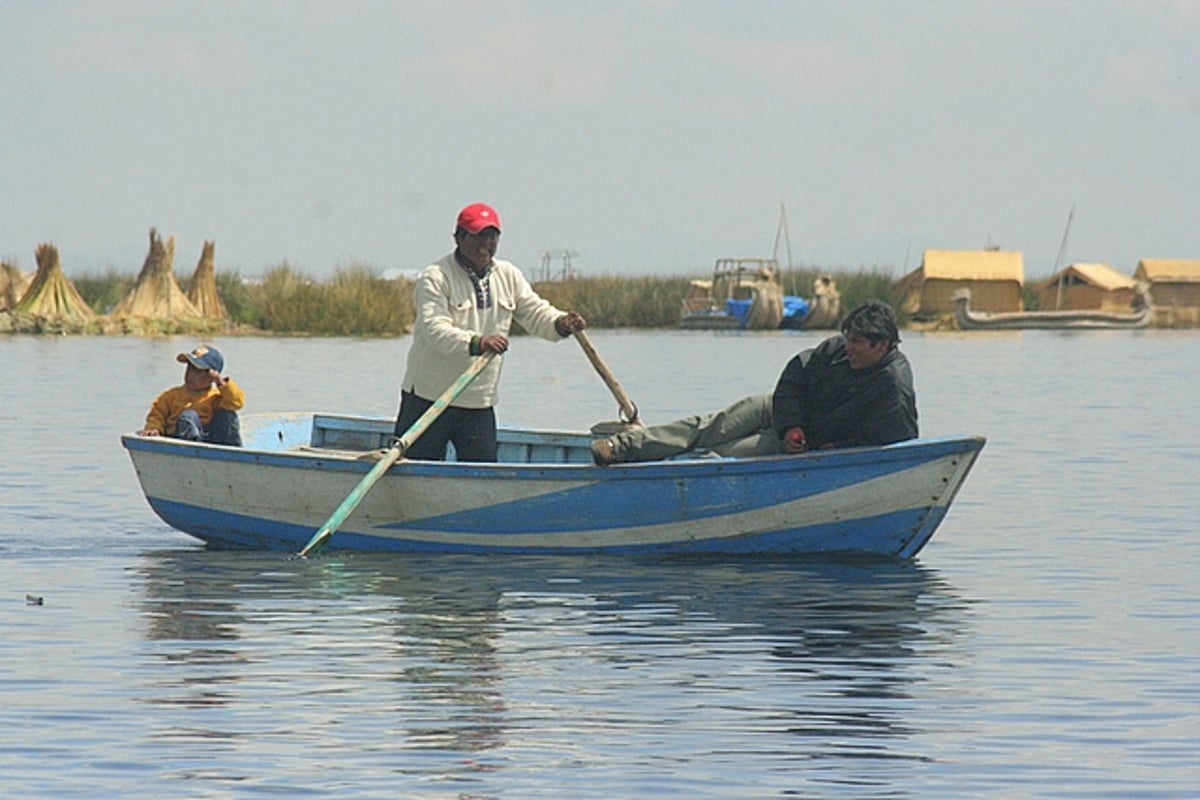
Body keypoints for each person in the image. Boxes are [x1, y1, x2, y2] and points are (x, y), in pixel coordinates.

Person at [590, 300, 917, 465]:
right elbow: (793, 380)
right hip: (781, 412)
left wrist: (818, 445)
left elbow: (888, 445)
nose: (849, 347)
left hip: (806, 444)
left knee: (719, 456)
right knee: (707, 427)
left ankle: (666, 472)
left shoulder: (893, 389)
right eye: (848, 338)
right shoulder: (835, 351)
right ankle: (621, 448)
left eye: (858, 342)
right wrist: (791, 425)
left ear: (883, 344)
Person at [395, 202, 586, 462]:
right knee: (414, 473)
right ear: (459, 238)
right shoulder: (436, 276)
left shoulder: (508, 275)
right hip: (429, 397)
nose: (486, 243)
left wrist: (560, 323)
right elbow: (434, 329)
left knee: (483, 476)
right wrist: (478, 342)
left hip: (478, 401)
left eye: (492, 236)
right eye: (478, 235)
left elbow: (536, 312)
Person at [139, 344, 245, 446]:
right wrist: (154, 428)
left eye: (197, 372)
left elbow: (237, 402)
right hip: (178, 440)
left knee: (228, 415)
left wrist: (219, 381)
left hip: (210, 441)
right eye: (189, 369)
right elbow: (157, 415)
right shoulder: (171, 395)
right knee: (188, 417)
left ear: (211, 377)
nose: (190, 375)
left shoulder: (216, 397)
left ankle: (233, 455)